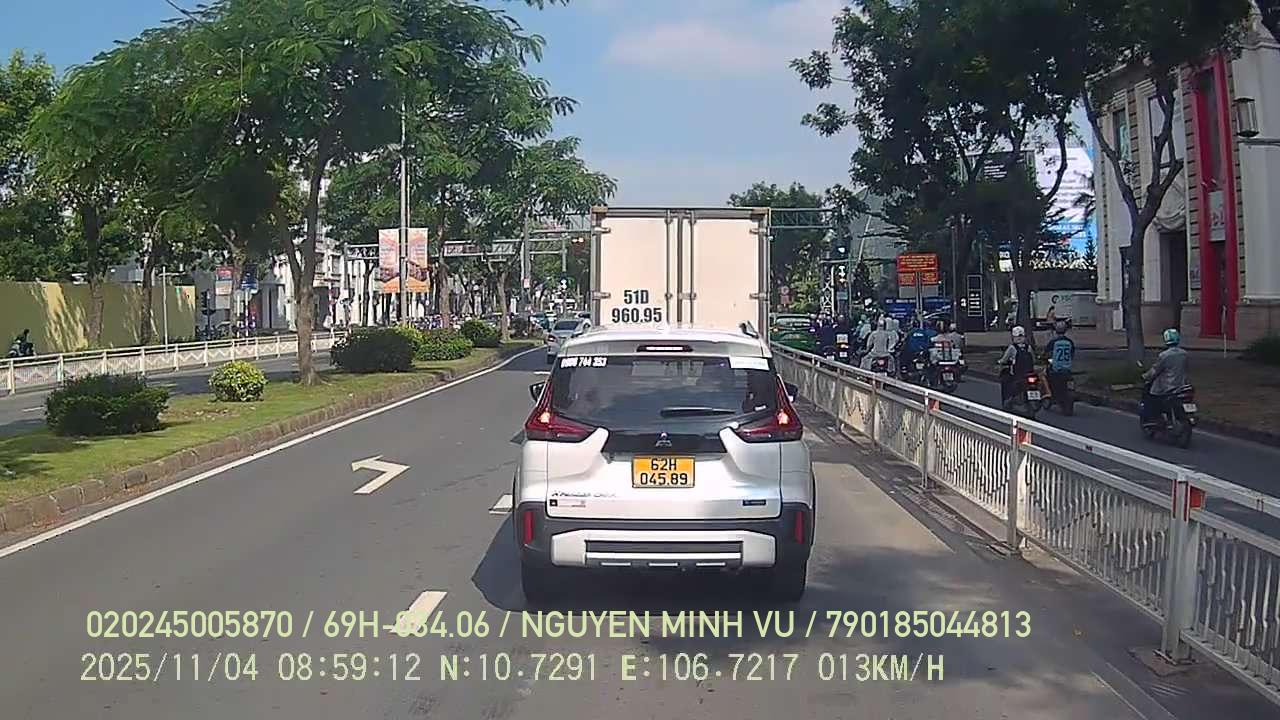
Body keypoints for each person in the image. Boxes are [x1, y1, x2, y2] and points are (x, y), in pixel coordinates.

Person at [1141, 329, 1190, 426]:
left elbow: (1155, 370)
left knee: (1152, 396)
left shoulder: (1164, 355)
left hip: (1167, 386)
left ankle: (1155, 419)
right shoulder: (1184, 354)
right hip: (1181, 384)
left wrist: (1145, 376)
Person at [997, 326, 1036, 405]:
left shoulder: (1012, 348)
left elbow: (1004, 359)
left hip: (1016, 373)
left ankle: (1009, 398)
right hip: (1029, 373)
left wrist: (1000, 361)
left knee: (1006, 381)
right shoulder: (1028, 347)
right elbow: (1034, 360)